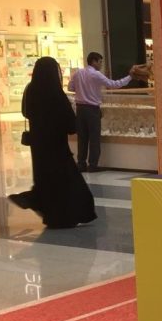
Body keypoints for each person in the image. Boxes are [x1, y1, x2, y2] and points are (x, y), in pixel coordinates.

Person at [8, 57, 97, 229]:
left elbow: (25, 112)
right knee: (68, 182)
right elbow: (71, 125)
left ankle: (37, 200)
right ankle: (65, 211)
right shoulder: (56, 94)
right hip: (57, 146)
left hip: (38, 145)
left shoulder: (31, 90)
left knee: (45, 180)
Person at [67, 52, 137, 172]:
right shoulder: (96, 74)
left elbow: (70, 88)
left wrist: (82, 90)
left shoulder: (78, 73)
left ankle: (81, 164)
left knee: (82, 138)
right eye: (100, 62)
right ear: (94, 61)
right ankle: (92, 165)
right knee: (94, 138)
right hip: (92, 110)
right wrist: (130, 77)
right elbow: (113, 84)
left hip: (80, 109)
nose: (101, 65)